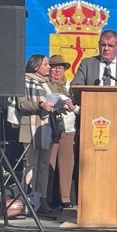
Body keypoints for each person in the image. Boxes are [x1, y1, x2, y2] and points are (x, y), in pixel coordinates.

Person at [70, 29, 117, 219]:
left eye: (110, 46)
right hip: (95, 128)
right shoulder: (87, 64)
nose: (106, 49)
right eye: (103, 45)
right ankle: (92, 202)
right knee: (94, 165)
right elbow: (75, 88)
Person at [16, 54, 56, 214]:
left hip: (46, 127)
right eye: (46, 64)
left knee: (44, 166)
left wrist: (62, 103)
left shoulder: (48, 83)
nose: (50, 67)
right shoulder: (23, 81)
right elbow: (22, 103)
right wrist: (40, 104)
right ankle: (27, 200)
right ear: (36, 66)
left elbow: (55, 100)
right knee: (30, 165)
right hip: (30, 127)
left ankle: (42, 199)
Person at [46, 55, 78, 209]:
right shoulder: (44, 85)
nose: (57, 70)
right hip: (50, 129)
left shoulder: (72, 86)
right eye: (53, 67)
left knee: (67, 165)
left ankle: (65, 198)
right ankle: (46, 199)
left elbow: (80, 108)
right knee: (48, 165)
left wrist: (74, 107)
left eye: (60, 67)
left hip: (68, 128)